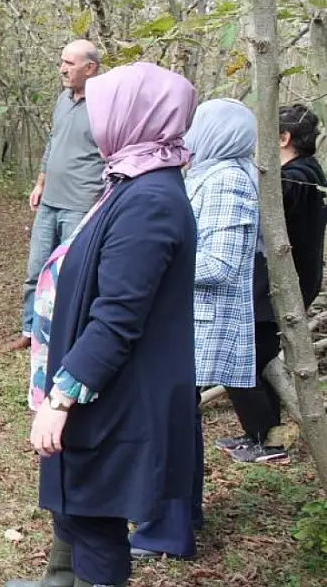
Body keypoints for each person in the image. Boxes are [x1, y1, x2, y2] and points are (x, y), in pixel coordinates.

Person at [7, 62, 198, 587]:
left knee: (95, 517)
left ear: (134, 115)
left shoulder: (150, 202)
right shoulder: (131, 182)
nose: (93, 122)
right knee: (79, 507)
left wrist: (61, 397)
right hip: (104, 387)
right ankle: (62, 580)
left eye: (103, 108)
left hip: (117, 395)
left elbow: (117, 317)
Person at [129, 98, 260, 561]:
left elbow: (220, 265)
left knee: (168, 426)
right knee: (178, 423)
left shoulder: (227, 180)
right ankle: (180, 515)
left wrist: (155, 261)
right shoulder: (210, 173)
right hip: (186, 320)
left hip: (200, 323)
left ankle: (166, 529)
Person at [218, 104, 327, 464]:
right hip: (286, 283)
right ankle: (266, 436)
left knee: (239, 360)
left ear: (283, 138)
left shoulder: (295, 178)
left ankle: (265, 442)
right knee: (255, 357)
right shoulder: (309, 172)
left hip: (280, 287)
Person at [7, 39, 107, 352]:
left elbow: (113, 154)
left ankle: (66, 338)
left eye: (70, 63)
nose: (62, 69)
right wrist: (40, 183)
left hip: (81, 205)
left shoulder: (106, 105)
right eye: (62, 62)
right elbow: (52, 144)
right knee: (35, 271)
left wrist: (101, 199)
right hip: (50, 202)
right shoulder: (63, 99)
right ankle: (30, 331)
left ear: (89, 68)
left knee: (71, 276)